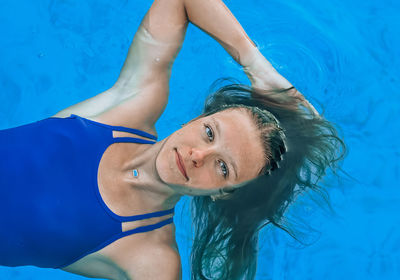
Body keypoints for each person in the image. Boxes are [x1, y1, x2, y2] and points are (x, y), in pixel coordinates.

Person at [0, 0, 346, 279]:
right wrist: (258, 68)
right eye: (210, 132)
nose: (198, 155)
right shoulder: (129, 108)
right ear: (198, 118)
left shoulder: (151, 258)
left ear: (224, 194)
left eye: (223, 167)